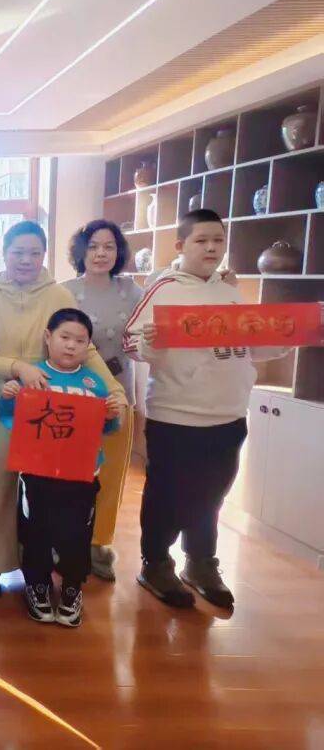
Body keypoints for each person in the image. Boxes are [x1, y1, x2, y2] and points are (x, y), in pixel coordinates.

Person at [124, 209, 292, 611]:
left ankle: (200, 563)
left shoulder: (230, 291)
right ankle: (155, 563)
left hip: (229, 414)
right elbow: (131, 342)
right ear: (181, 245)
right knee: (167, 494)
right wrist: (150, 342)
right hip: (176, 415)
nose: (211, 248)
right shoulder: (164, 288)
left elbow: (250, 345)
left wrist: (284, 339)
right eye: (201, 240)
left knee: (212, 494)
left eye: (218, 240)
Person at [0, 220, 125, 598]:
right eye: (18, 252)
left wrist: (114, 388)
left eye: (34, 253)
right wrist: (18, 369)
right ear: (4, 254)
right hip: (3, 397)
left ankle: (37, 565)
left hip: (52, 404)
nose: (26, 260)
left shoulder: (57, 295)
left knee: (46, 489)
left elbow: (83, 346)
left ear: (44, 255)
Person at [0, 309, 122, 627]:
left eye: (80, 340)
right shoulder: (34, 376)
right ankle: (37, 585)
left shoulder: (94, 383)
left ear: (88, 345)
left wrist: (111, 415)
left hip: (81, 476)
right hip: (38, 474)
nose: (71, 345)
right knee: (35, 532)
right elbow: (11, 420)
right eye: (64, 337)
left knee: (76, 535)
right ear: (48, 337)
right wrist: (10, 396)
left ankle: (71, 588)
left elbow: (108, 429)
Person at [61, 222, 143, 581]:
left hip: (117, 391)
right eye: (93, 246)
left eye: (109, 246)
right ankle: (65, 540)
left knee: (110, 472)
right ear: (81, 251)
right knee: (70, 472)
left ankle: (99, 543)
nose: (100, 253)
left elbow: (150, 330)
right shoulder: (65, 292)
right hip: (74, 392)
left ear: (118, 252)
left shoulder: (131, 290)